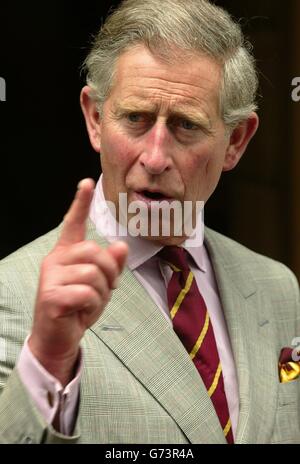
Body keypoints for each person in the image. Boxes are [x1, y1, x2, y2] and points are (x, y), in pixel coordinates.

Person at [0, 0, 299, 445]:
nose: (155, 157)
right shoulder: (15, 292)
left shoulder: (278, 287)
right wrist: (48, 356)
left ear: (236, 141)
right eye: (135, 119)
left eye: (186, 125)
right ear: (95, 118)